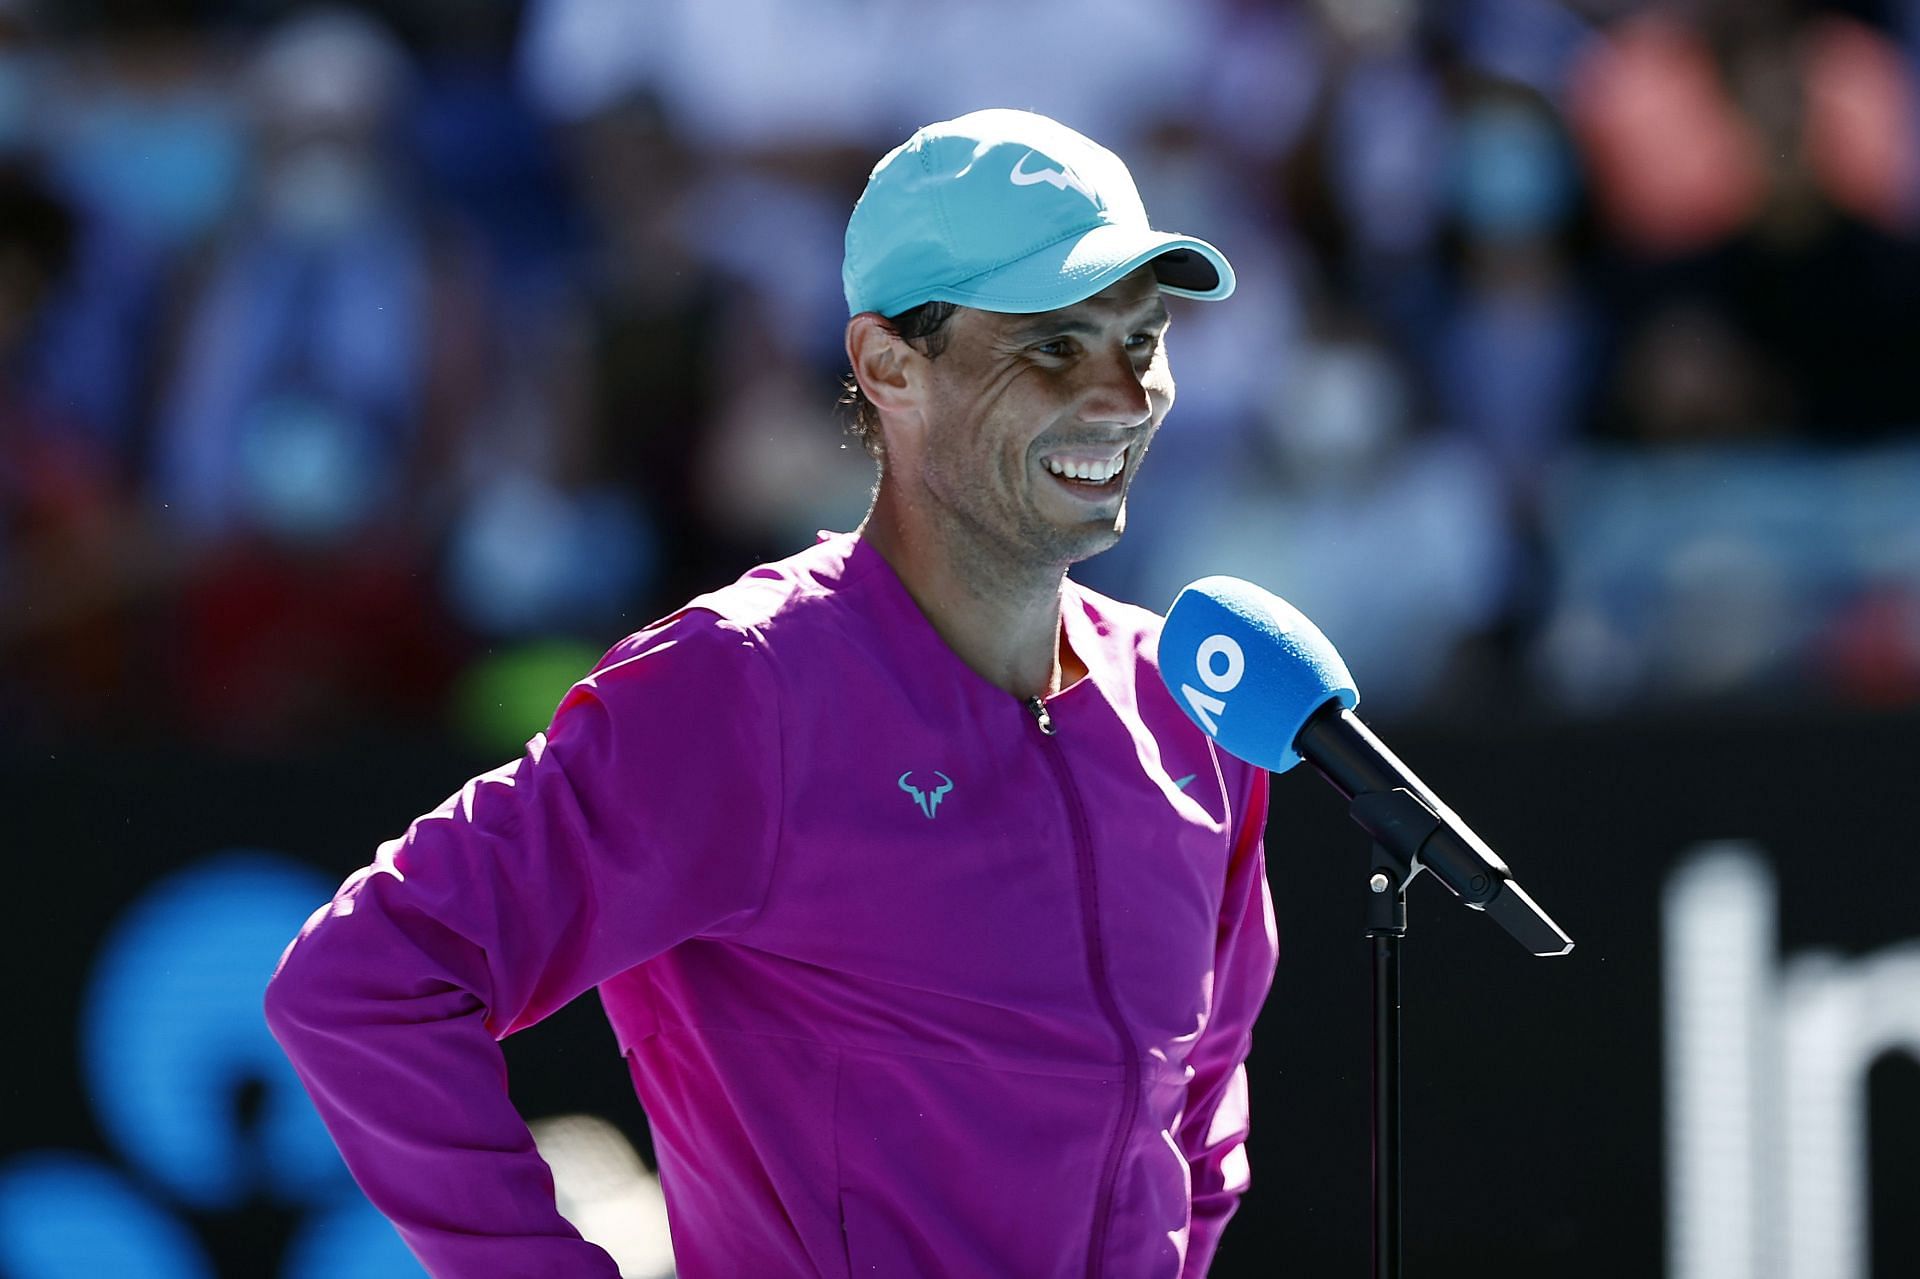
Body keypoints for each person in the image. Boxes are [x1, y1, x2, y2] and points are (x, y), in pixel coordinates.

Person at [266, 108, 1277, 1278]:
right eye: (1054, 344)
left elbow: (1199, 1108)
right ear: (889, 366)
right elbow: (362, 980)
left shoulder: (1191, 715)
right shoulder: (739, 686)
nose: (1123, 393)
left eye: (1140, 340)